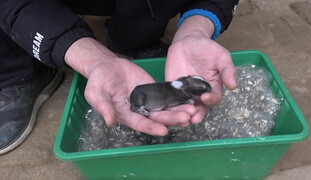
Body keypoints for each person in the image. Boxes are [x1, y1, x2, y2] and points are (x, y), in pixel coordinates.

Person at [0, 0, 238, 154]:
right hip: (33, 9)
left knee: (138, 26)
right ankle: (18, 72)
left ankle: (133, 33)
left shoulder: (176, 90)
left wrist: (196, 28)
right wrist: (87, 56)